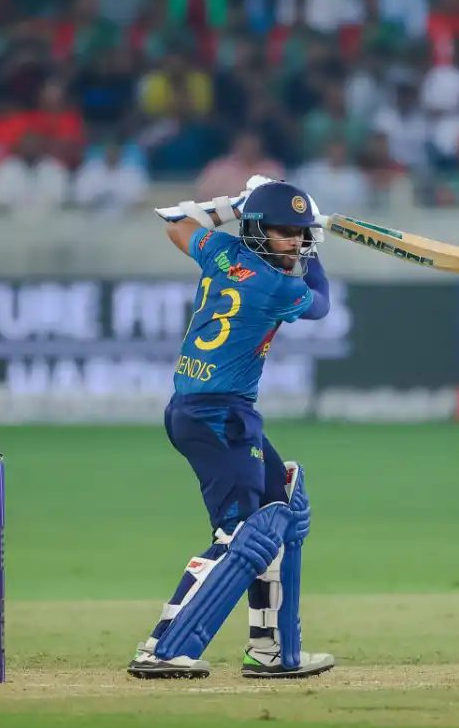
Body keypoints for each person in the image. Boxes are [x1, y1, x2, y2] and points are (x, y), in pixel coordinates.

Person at [127, 179, 336, 680]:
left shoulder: (220, 251)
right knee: (241, 534)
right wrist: (310, 242)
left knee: (282, 506)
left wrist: (229, 209)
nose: (299, 244)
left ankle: (272, 651)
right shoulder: (277, 286)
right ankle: (164, 647)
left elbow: (179, 226)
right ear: (260, 232)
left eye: (304, 234)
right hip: (218, 415)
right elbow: (322, 301)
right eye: (288, 233)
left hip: (204, 409)